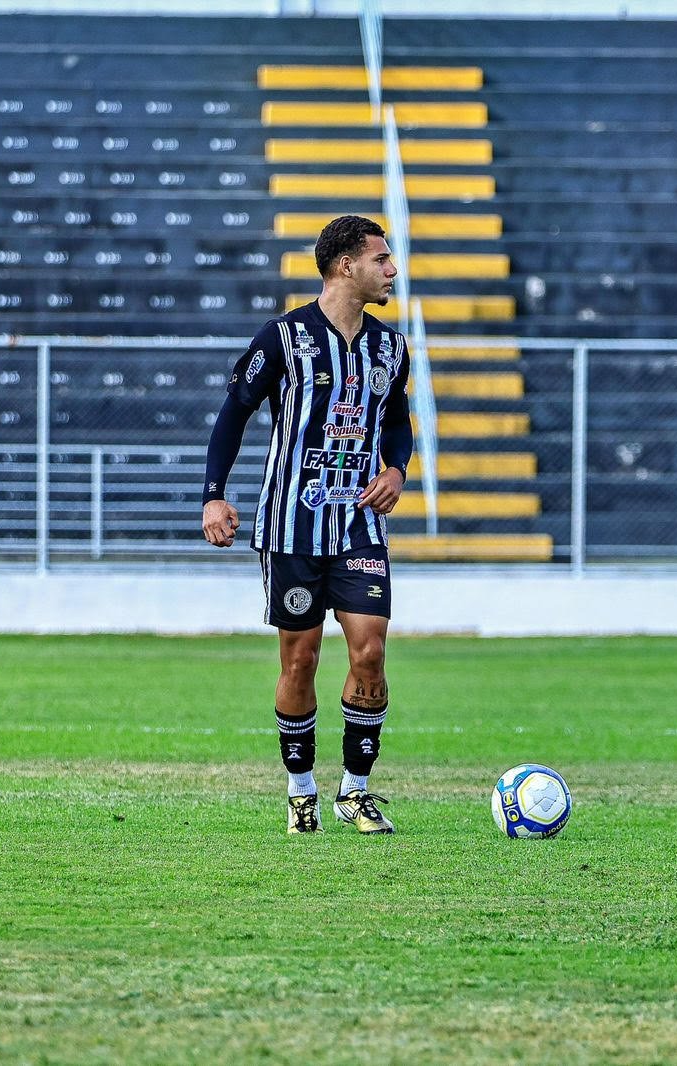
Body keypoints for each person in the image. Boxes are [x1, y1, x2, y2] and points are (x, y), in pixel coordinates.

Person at [201, 214, 412, 835]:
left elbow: (397, 419)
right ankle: (301, 792)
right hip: (292, 524)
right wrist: (214, 496)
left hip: (360, 525)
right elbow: (233, 413)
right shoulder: (282, 338)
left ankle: (356, 790)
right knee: (301, 660)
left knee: (370, 650)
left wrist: (396, 468)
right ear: (346, 265)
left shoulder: (390, 347)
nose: (391, 270)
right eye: (382, 259)